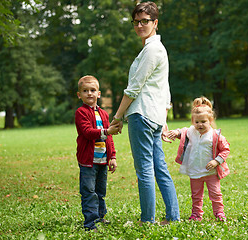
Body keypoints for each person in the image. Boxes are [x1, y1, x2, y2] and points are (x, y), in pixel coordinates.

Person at [110, 1, 179, 225]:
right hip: (154, 116)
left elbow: (134, 88)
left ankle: (147, 220)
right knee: (159, 168)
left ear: (155, 22)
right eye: (136, 22)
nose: (140, 25)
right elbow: (164, 89)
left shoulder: (151, 50)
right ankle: (172, 217)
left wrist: (118, 117)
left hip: (142, 116)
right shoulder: (157, 49)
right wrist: (163, 119)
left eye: (145, 21)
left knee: (145, 170)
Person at [166, 97, 230, 222]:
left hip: (211, 172)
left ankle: (219, 213)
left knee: (216, 194)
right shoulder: (191, 131)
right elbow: (182, 131)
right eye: (197, 122)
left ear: (210, 121)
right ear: (193, 121)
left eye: (203, 121)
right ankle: (196, 214)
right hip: (195, 171)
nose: (200, 125)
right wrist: (175, 132)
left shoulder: (215, 135)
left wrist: (216, 161)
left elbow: (225, 149)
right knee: (196, 195)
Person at [75, 75, 119, 231]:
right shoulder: (81, 113)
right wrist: (107, 131)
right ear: (79, 95)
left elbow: (109, 139)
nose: (89, 94)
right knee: (89, 191)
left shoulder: (104, 114)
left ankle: (100, 217)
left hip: (102, 160)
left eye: (93, 90)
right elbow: (87, 132)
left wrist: (112, 157)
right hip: (88, 160)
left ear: (98, 93)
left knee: (100, 191)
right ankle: (90, 223)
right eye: (85, 91)